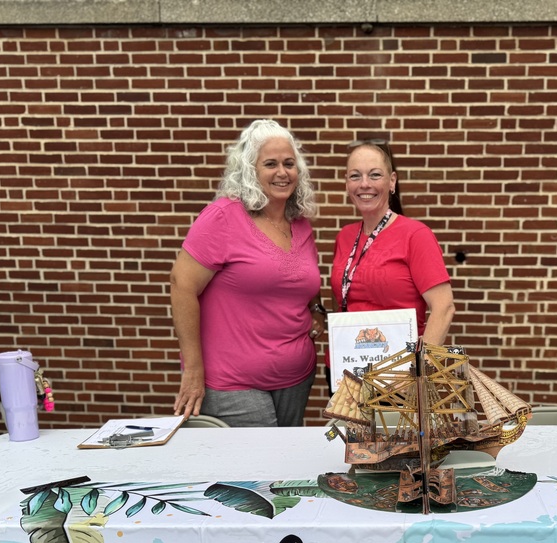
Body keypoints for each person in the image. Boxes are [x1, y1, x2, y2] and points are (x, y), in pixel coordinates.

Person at [170, 119, 325, 427]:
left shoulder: (300, 223)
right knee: (261, 471)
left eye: (289, 163)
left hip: (296, 378)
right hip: (232, 382)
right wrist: (193, 369)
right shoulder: (223, 217)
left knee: (284, 470)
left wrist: (316, 309)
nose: (282, 172)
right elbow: (181, 285)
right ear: (249, 170)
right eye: (270, 164)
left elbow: (301, 279)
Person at [330, 139, 455, 345]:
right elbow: (340, 296)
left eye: (375, 175)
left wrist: (419, 367)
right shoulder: (344, 236)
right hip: (345, 367)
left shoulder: (416, 235)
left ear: (392, 181)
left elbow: (444, 307)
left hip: (398, 370)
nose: (364, 184)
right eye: (355, 176)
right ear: (347, 183)